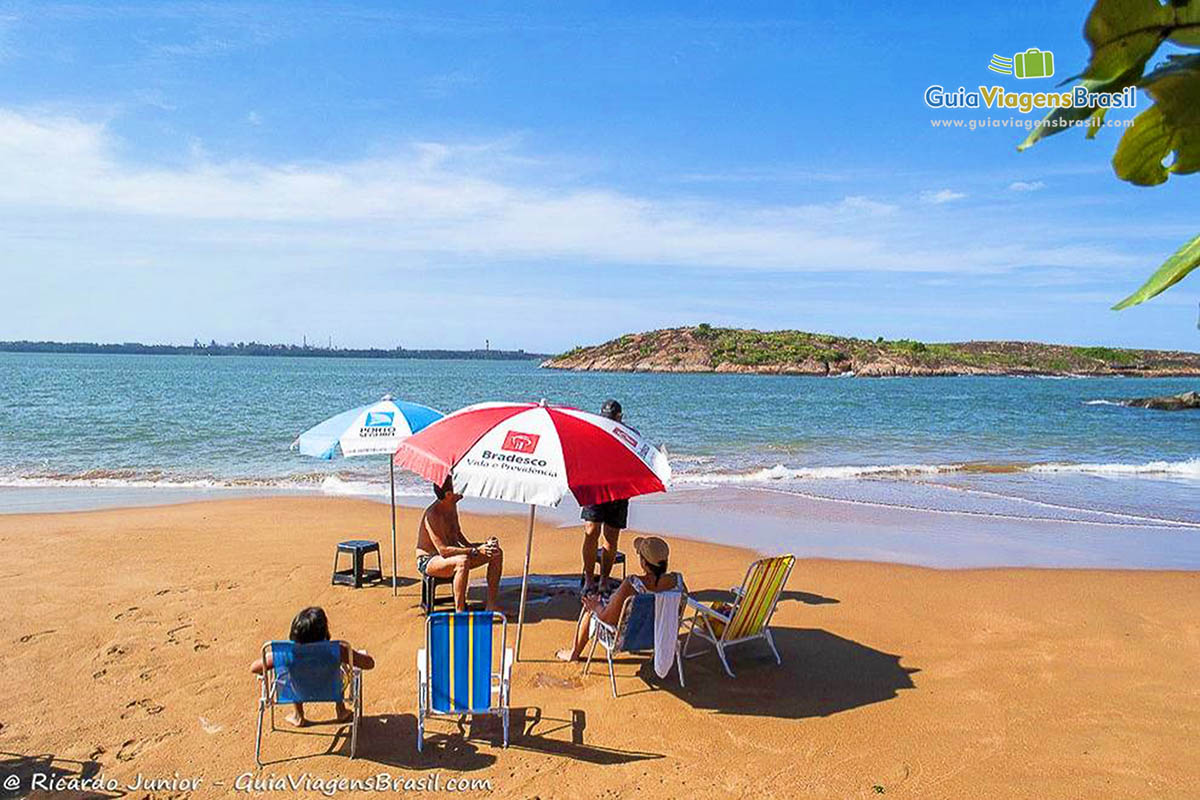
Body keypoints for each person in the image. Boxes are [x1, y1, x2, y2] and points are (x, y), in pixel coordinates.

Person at [557, 536, 685, 662]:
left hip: (624, 640)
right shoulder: (678, 582)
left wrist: (595, 607)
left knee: (589, 607)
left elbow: (607, 619)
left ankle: (574, 653)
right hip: (661, 635)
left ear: (644, 563)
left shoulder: (632, 584)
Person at [249, 606, 375, 727]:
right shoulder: (337, 650)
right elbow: (369, 664)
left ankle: (298, 716)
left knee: (293, 673)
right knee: (338, 670)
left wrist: (274, 656)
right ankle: (341, 710)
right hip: (330, 689)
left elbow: (254, 668)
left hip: (299, 691)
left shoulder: (287, 653)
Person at [416, 474, 504, 611]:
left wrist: (484, 546)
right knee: (462, 561)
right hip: (429, 560)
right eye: (459, 486)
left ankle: (492, 605)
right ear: (449, 494)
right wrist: (474, 550)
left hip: (452, 554)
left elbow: (458, 536)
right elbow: (443, 550)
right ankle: (460, 612)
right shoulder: (433, 515)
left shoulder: (451, 506)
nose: (463, 488)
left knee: (496, 553)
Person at [580, 398, 630, 595]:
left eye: (612, 418)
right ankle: (589, 580)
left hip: (619, 491)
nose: (609, 421)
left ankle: (604, 581)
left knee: (610, 538)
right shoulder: (592, 433)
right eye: (606, 418)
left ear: (620, 417)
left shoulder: (629, 435)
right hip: (595, 488)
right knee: (591, 531)